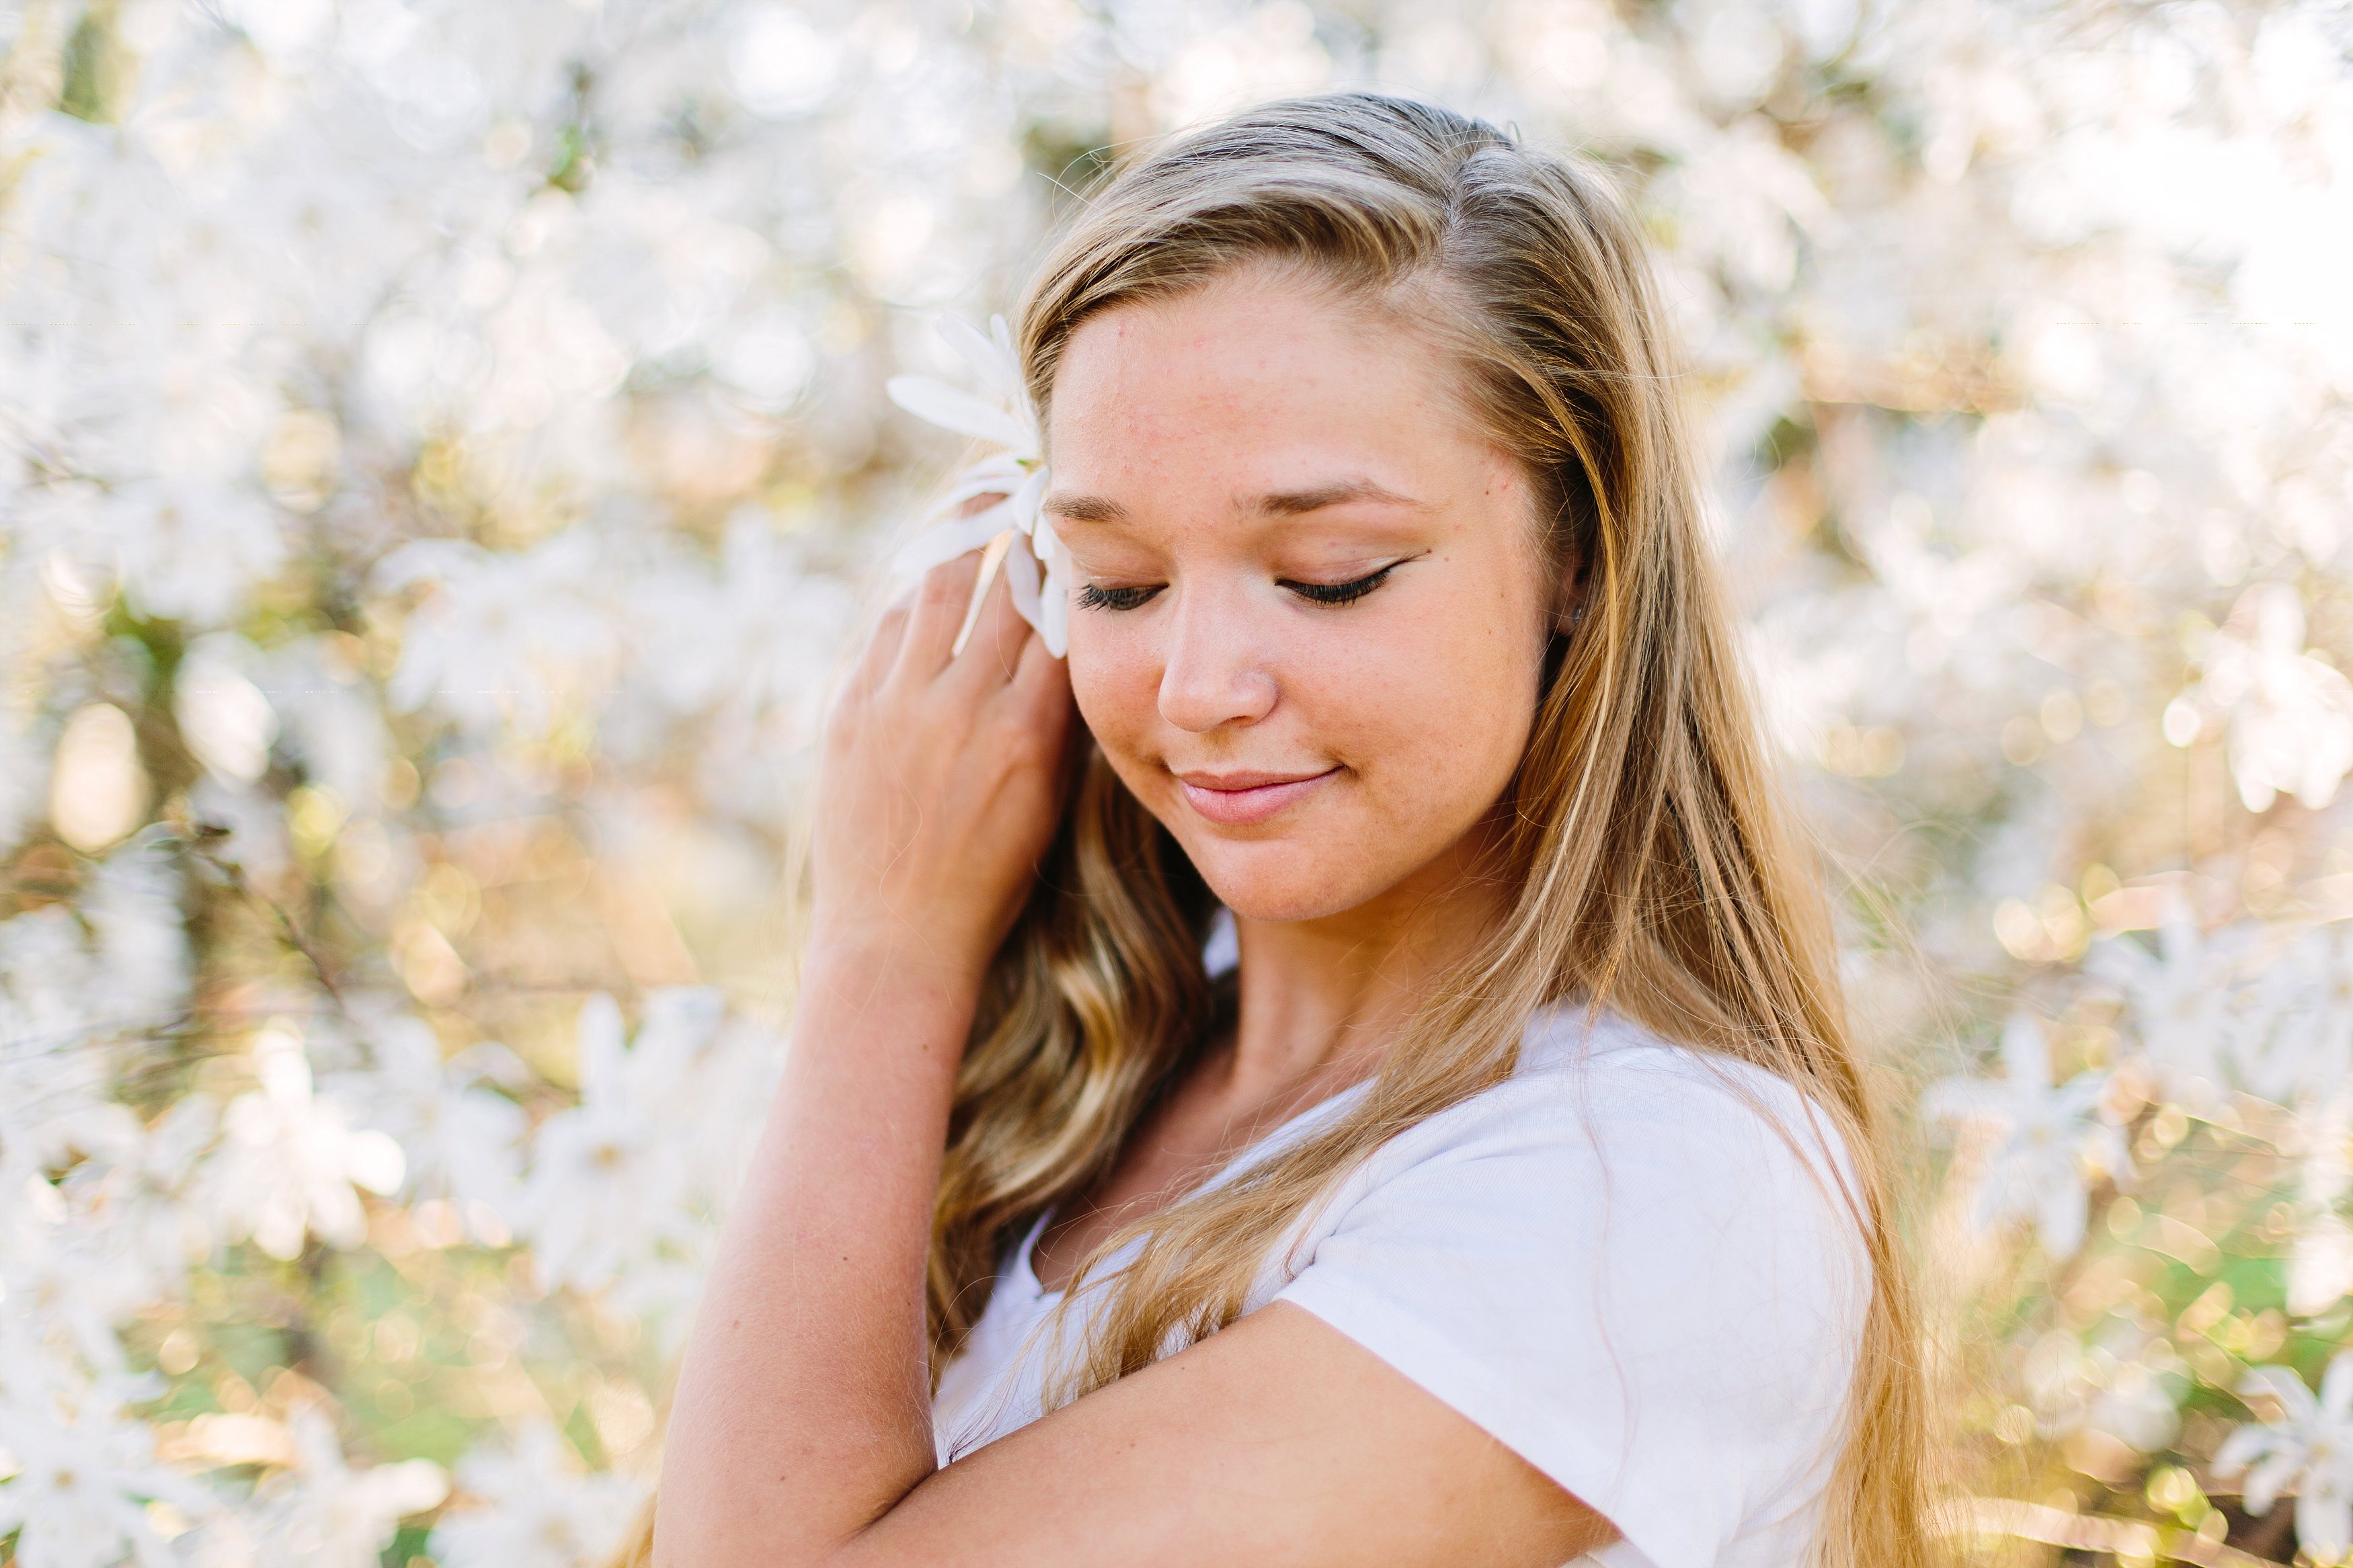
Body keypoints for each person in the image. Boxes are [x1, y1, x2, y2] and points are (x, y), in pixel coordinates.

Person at [643, 93, 1928, 1568]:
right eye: (1116, 581)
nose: (1196, 691)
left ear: (1577, 554)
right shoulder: (1094, 1073)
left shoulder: (1655, 1181)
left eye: (1328, 574)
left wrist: (885, 951)